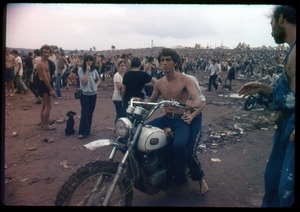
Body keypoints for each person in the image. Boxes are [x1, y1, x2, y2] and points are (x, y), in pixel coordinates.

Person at [237, 5, 295, 207]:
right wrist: (263, 88)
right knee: (273, 183)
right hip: (285, 127)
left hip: (293, 130)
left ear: (281, 19)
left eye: (271, 24)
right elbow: (290, 96)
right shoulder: (292, 51)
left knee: (287, 193)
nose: (270, 31)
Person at [146, 48, 203, 187]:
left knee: (179, 145)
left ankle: (180, 174)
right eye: (162, 60)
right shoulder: (159, 83)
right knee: (140, 132)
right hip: (166, 118)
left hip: (180, 120)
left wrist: (192, 104)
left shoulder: (186, 80)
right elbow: (150, 103)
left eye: (168, 60)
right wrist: (136, 103)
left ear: (175, 62)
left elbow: (197, 98)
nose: (164, 63)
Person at [178, 64, 209, 194]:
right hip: (178, 119)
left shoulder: (190, 79)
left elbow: (202, 102)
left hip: (194, 119)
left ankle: (200, 178)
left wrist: (192, 115)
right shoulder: (166, 81)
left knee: (190, 151)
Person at [77, 54, 101, 139]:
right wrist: (87, 71)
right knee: (84, 113)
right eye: (87, 60)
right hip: (85, 94)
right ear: (84, 61)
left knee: (90, 113)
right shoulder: (81, 69)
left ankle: (87, 130)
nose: (89, 62)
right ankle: (81, 131)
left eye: (91, 60)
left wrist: (95, 86)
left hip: (93, 94)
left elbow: (98, 79)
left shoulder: (94, 70)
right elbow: (83, 81)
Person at [35, 44, 56, 130]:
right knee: (48, 105)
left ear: (50, 53)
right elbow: (44, 78)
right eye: (44, 52)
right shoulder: (40, 64)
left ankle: (43, 123)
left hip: (47, 84)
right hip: (44, 85)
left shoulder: (48, 62)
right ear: (41, 53)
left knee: (44, 104)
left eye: (48, 52)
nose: (46, 54)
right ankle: (46, 125)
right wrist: (51, 90)